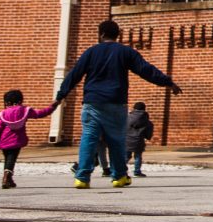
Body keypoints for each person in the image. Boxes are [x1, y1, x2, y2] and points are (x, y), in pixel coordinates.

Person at [56, 19, 180, 188]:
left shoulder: (90, 52)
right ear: (117, 35)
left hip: (92, 102)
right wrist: (167, 82)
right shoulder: (125, 52)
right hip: (115, 102)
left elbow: (74, 75)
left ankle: (82, 177)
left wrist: (60, 96)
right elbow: (146, 70)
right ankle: (119, 176)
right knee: (116, 141)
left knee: (89, 139)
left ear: (101, 34)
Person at [0, 89, 55, 189]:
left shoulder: (4, 114)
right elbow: (40, 113)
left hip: (4, 141)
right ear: (20, 101)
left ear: (6, 102)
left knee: (8, 158)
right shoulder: (24, 110)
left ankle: (9, 179)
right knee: (11, 158)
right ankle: (7, 177)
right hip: (16, 140)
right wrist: (52, 107)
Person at [126, 100, 154, 177]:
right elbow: (149, 132)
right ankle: (137, 171)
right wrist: (148, 137)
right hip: (139, 141)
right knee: (138, 156)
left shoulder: (127, 118)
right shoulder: (146, 120)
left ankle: (121, 170)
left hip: (127, 140)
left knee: (126, 156)